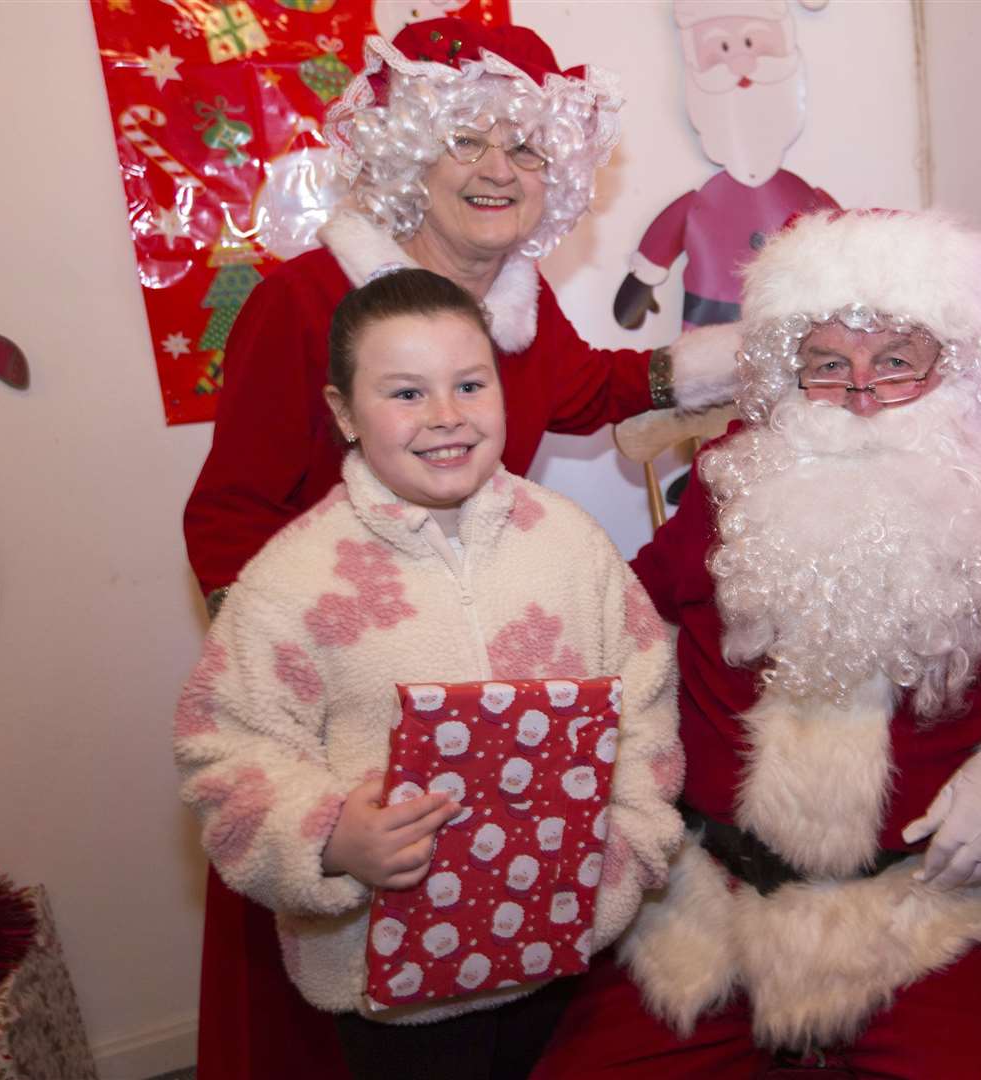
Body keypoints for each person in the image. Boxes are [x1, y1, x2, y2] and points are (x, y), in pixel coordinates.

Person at [180, 19, 729, 1076]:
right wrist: (291, 701)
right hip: (349, 728)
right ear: (406, 151)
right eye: (465, 141)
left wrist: (744, 358)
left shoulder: (514, 311)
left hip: (494, 719)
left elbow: (594, 392)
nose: (497, 171)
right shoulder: (304, 304)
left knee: (513, 1019)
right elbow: (227, 519)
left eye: (524, 149)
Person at [531, 208, 981, 1078]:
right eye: (829, 366)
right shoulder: (733, 482)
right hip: (705, 909)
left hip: (930, 919)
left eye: (897, 362)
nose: (862, 394)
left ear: (955, 364)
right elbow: (622, 625)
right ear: (788, 376)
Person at [174, 268, 685, 1080]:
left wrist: (625, 855)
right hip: (392, 993)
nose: (446, 417)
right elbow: (226, 756)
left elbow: (647, 700)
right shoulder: (292, 581)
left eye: (469, 385)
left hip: (567, 952)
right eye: (406, 393)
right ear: (343, 412)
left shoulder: (572, 546)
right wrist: (328, 838)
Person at [613, 0, 837, 331]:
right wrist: (641, 281)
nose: (741, 62)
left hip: (793, 335)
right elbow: (670, 229)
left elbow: (847, 240)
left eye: (751, 43)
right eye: (723, 48)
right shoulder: (703, 204)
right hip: (711, 333)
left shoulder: (805, 198)